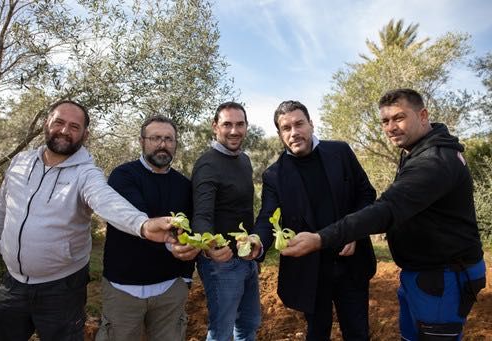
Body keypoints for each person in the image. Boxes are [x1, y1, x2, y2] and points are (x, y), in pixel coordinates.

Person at [282, 89, 486, 340]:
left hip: (444, 275)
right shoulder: (416, 150)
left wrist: (321, 238)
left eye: (399, 118)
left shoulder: (434, 162)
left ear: (423, 116)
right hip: (420, 272)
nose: (391, 127)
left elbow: (387, 209)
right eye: (385, 121)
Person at [0, 100, 177, 341]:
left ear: (85, 134)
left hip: (61, 290)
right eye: (59, 122)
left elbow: (107, 202)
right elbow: (1, 209)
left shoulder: (86, 173)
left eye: (75, 126)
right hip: (11, 284)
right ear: (47, 123)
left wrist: (143, 225)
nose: (65, 131)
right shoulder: (20, 162)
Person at [251, 100, 377, 340]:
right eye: (286, 128)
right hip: (309, 271)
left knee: (358, 332)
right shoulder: (274, 175)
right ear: (279, 134)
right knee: (317, 333)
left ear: (311, 124)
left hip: (351, 263)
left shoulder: (340, 152)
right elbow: (268, 217)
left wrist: (355, 232)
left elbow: (366, 194)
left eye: (299, 124)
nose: (294, 132)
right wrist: (257, 240)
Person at [96, 115, 199, 341]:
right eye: (155, 138)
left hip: (170, 290)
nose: (162, 144)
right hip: (124, 288)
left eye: (169, 139)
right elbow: (136, 220)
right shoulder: (123, 176)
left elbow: (191, 230)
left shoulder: (183, 185)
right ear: (142, 141)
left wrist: (186, 276)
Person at [191, 102, 261, 341]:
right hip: (221, 265)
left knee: (248, 325)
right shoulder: (208, 163)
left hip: (246, 258)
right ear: (215, 127)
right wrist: (210, 248)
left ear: (246, 127)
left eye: (239, 124)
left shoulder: (244, 161)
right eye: (227, 124)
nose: (234, 131)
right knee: (221, 332)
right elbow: (201, 214)